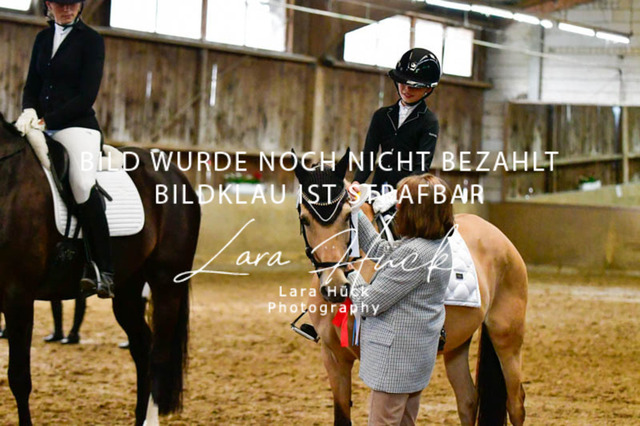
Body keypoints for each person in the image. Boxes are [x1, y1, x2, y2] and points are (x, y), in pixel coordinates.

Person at [15, 0, 114, 298]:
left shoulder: (92, 41)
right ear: (49, 4)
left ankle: (104, 268)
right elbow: (31, 85)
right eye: (61, 4)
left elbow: (86, 96)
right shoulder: (42, 39)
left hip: (77, 127)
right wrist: (29, 112)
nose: (67, 9)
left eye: (73, 4)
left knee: (82, 183)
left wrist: (48, 121)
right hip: (41, 125)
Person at [347, 174, 453, 426]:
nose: (396, 206)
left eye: (402, 202)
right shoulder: (432, 244)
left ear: (418, 211)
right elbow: (381, 250)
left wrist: (348, 274)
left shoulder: (415, 253)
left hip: (395, 363)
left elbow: (368, 303)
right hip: (414, 359)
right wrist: (356, 209)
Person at [353, 48, 441, 194]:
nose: (406, 90)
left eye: (413, 86)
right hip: (378, 187)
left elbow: (421, 166)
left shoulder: (429, 122)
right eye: (402, 83)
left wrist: (400, 192)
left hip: (407, 193)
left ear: (427, 89)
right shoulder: (381, 116)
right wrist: (357, 182)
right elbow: (369, 155)